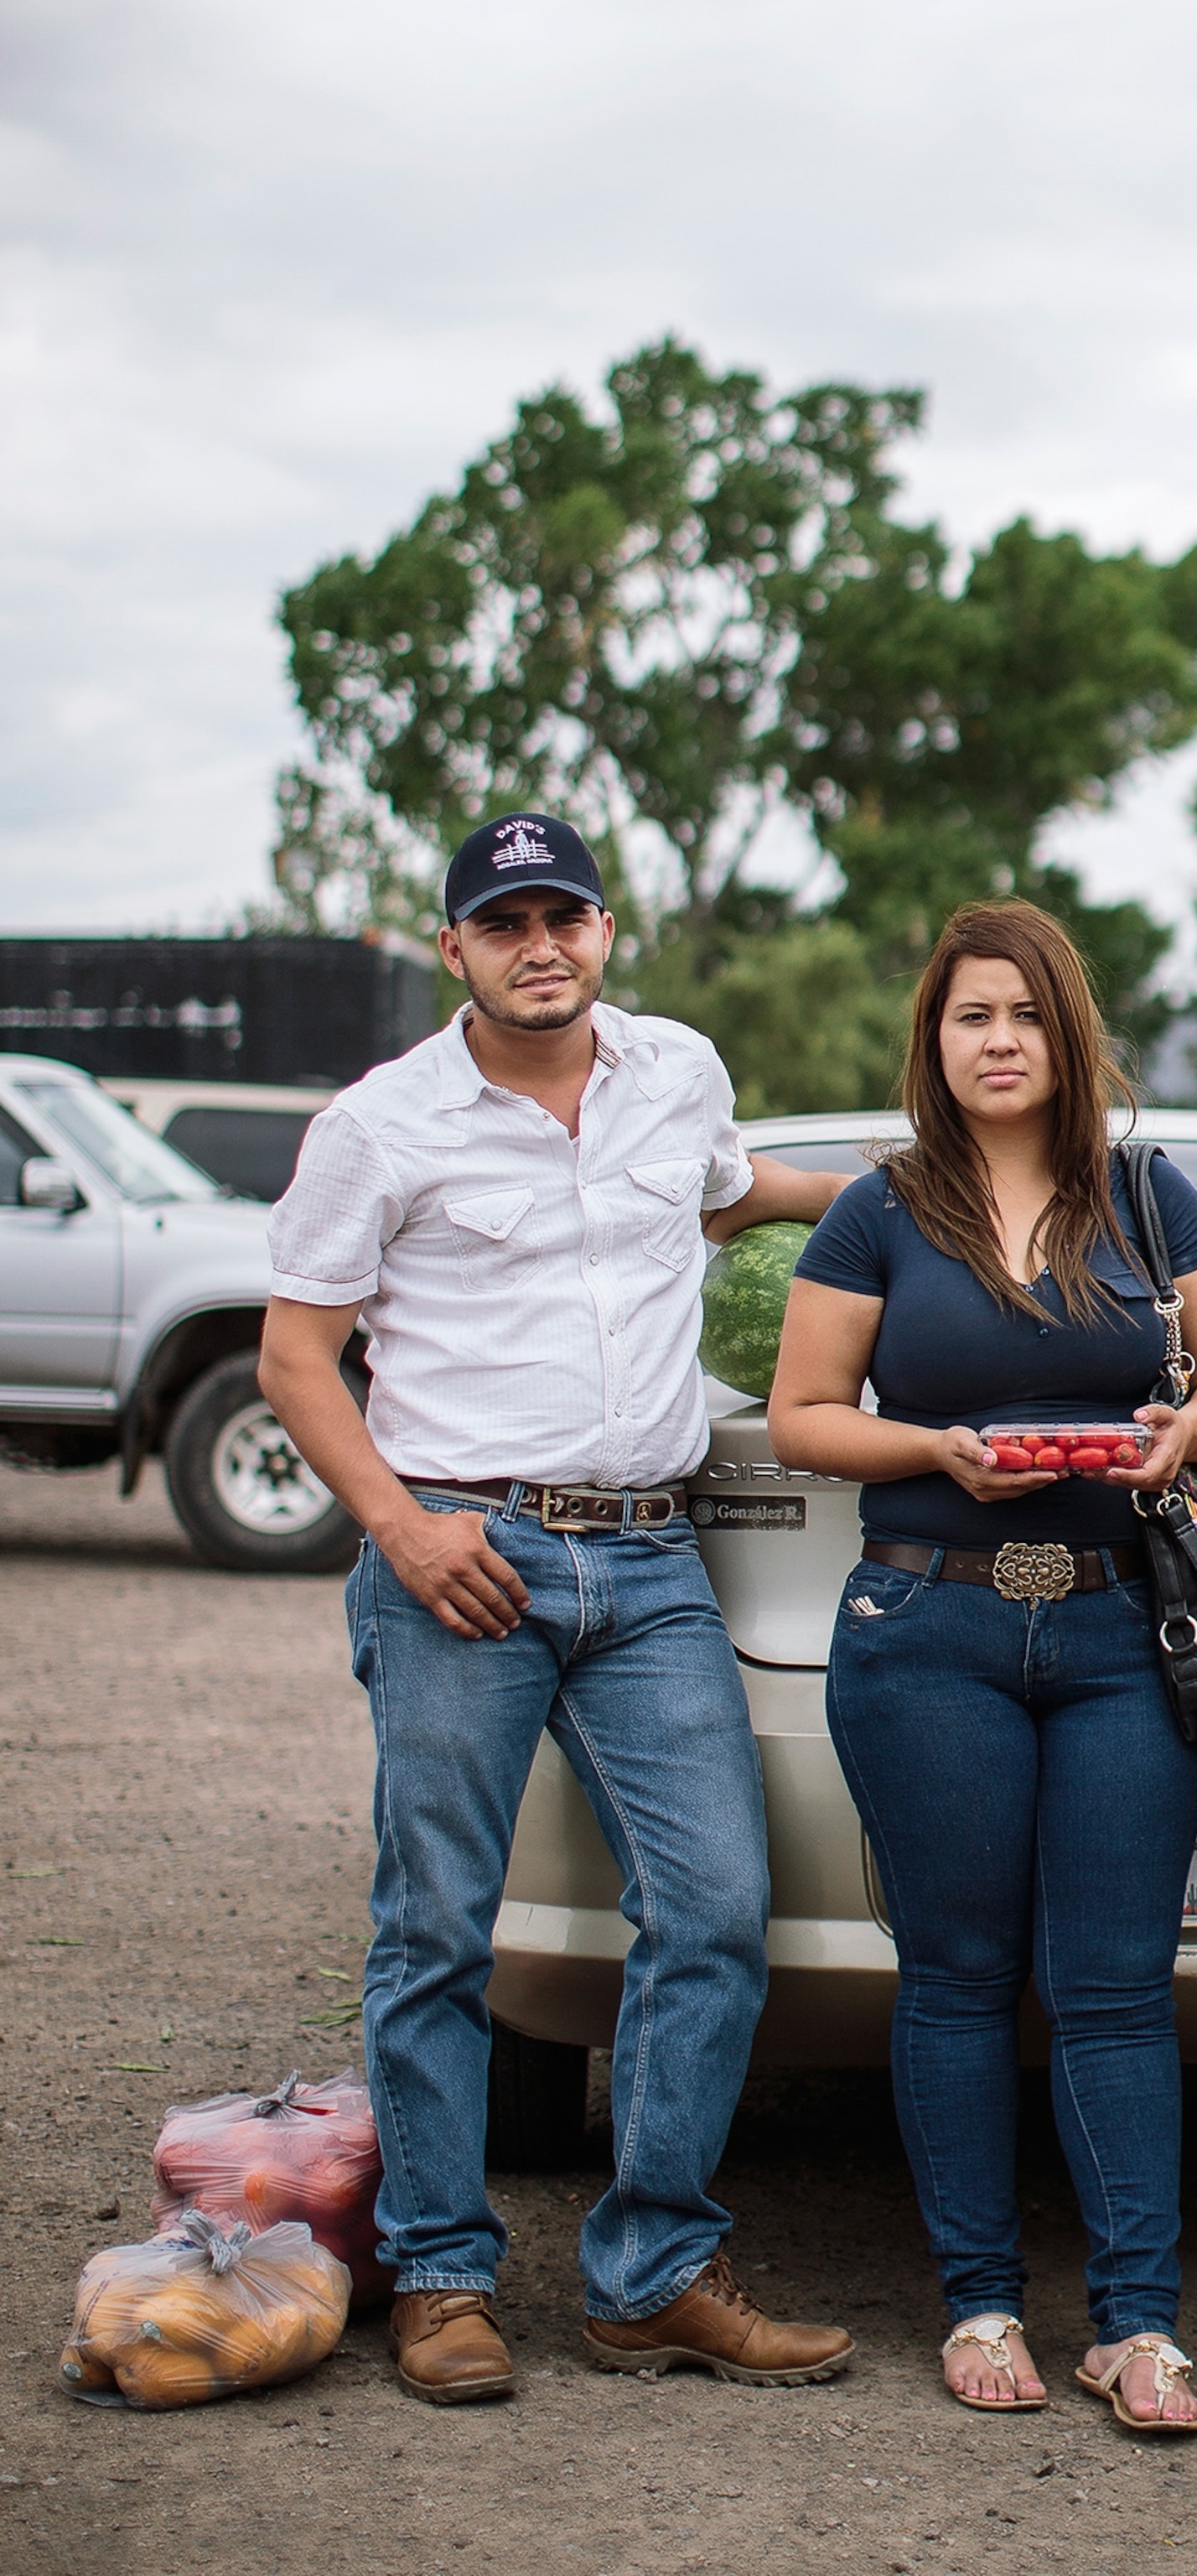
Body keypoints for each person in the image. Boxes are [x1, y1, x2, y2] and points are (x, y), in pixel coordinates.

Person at [259, 810, 857, 2406]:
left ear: (606, 930)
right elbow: (294, 1360)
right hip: (469, 1558)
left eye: (566, 915)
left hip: (654, 1564)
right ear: (455, 947)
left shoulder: (681, 1074)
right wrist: (398, 1528)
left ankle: (652, 2274)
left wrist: (906, 1186)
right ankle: (443, 2277)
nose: (542, 944)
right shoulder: (381, 1126)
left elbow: (729, 1200)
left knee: (715, 1913)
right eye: (505, 920)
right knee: (439, 1927)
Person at [767, 900, 1197, 2433]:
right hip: (929, 1627)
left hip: (1126, 1626)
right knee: (963, 1981)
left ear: (1069, 1037)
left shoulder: (1144, 1193)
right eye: (970, 1016)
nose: (998, 1041)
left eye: (1026, 1016)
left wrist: (1191, 1428)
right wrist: (931, 1447)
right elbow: (803, 1415)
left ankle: (1136, 2326)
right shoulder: (880, 1210)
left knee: (1117, 1990)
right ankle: (979, 2304)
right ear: (934, 1037)